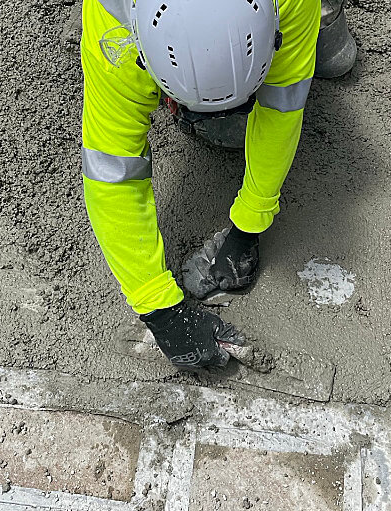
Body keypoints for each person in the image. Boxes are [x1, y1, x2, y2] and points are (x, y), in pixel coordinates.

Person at [80, 0, 355, 369]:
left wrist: (250, 222)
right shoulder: (111, 30)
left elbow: (283, 105)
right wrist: (159, 310)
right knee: (222, 129)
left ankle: (327, 16)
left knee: (335, 58)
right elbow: (112, 170)